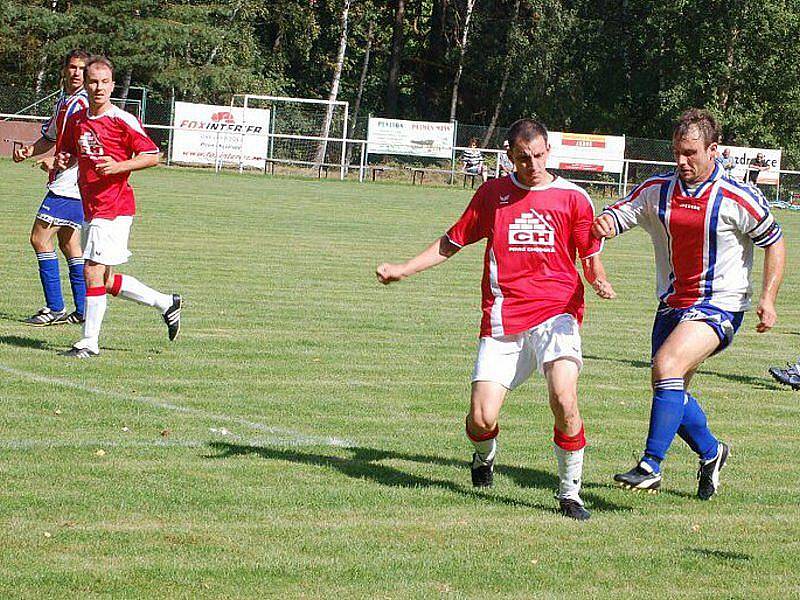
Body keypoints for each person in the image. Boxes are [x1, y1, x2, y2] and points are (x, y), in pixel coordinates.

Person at [377, 118, 616, 520]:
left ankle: (569, 493)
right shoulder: (492, 195)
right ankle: (484, 457)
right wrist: (404, 269)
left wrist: (600, 281)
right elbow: (451, 242)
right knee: (482, 417)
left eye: (539, 156)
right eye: (524, 159)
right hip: (504, 319)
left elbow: (588, 255)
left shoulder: (573, 198)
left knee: (564, 398)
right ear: (510, 156)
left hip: (558, 314)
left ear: (548, 152)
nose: (533, 165)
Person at [592, 108, 785, 499]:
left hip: (720, 306)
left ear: (713, 149)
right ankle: (712, 453)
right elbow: (619, 215)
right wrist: (604, 226)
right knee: (670, 390)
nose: (681, 161)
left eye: (690, 153)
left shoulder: (736, 197)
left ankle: (650, 465)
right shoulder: (658, 190)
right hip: (672, 306)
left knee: (668, 366)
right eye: (677, 152)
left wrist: (767, 298)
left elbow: (775, 242)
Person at [55, 56, 182, 358]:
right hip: (91, 207)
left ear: (112, 85)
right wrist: (61, 160)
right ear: (85, 84)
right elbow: (74, 153)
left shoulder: (121, 119)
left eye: (104, 82)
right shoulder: (78, 120)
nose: (98, 87)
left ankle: (88, 342)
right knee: (105, 278)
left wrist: (118, 166)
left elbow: (152, 155)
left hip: (113, 208)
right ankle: (166, 303)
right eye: (93, 81)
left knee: (91, 271)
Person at [12, 49, 89, 326]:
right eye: (72, 67)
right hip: (68, 181)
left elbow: (86, 145)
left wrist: (60, 162)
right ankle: (83, 310)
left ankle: (55, 307)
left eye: (82, 68)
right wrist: (29, 151)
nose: (77, 73)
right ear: (64, 70)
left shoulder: (83, 104)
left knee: (39, 238)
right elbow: (51, 138)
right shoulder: (64, 101)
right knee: (69, 244)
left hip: (72, 183)